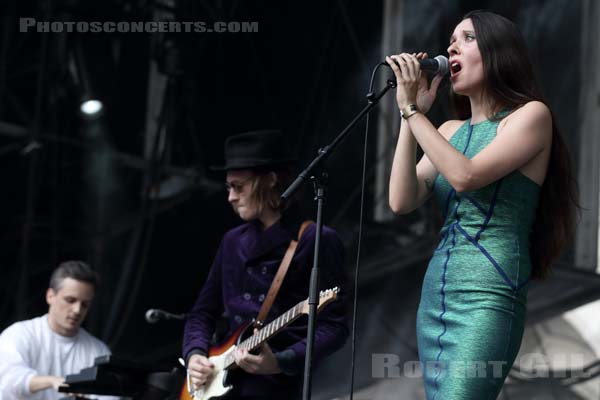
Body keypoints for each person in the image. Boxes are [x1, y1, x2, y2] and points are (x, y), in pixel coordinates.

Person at [386, 10, 577, 399]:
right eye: (451, 40)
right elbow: (401, 200)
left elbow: (466, 176)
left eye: (467, 38)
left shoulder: (530, 116)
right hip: (437, 295)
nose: (451, 46)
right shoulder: (447, 131)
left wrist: (411, 111)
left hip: (488, 294)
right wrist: (412, 118)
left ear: (498, 53)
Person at [182, 129, 348, 399]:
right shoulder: (232, 241)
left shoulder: (315, 239)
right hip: (220, 381)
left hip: (276, 388)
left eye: (239, 186)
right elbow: (201, 313)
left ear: (270, 180)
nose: (231, 197)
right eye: (228, 187)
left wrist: (281, 361)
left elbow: (334, 327)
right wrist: (195, 354)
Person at [0, 260, 112, 400]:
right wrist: (52, 381)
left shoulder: (98, 351)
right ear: (50, 296)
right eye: (70, 300)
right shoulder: (19, 335)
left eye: (85, 304)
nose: (77, 310)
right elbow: (9, 379)